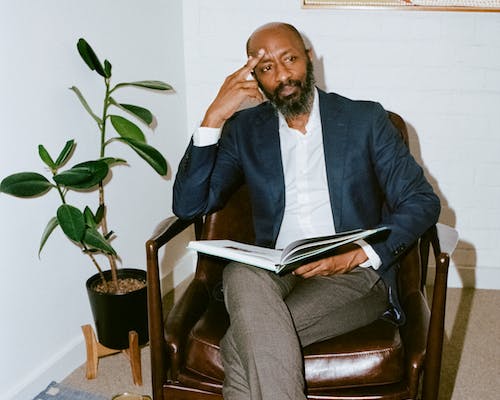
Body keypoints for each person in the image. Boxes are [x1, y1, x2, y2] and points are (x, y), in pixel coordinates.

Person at [173, 22, 440, 400]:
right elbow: (189, 205)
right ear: (254, 78)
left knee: (241, 343)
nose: (282, 75)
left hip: (353, 273)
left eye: (290, 59)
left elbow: (421, 200)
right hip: (273, 264)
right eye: (266, 68)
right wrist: (213, 116)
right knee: (240, 275)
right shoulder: (245, 129)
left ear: (309, 59)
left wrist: (358, 255)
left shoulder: (365, 120)